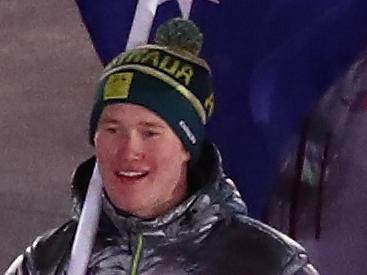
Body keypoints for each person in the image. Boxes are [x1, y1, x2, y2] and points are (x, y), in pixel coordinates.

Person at [6, 18, 318, 275]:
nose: (128, 150)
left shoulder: (269, 265)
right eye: (112, 129)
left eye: (150, 132)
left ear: (187, 148)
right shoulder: (46, 262)